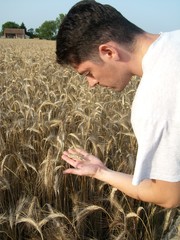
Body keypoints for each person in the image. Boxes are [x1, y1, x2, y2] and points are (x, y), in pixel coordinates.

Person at [56, 0, 180, 208]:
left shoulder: (154, 100)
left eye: (88, 73)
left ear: (109, 52)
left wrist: (100, 173)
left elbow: (169, 196)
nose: (91, 84)